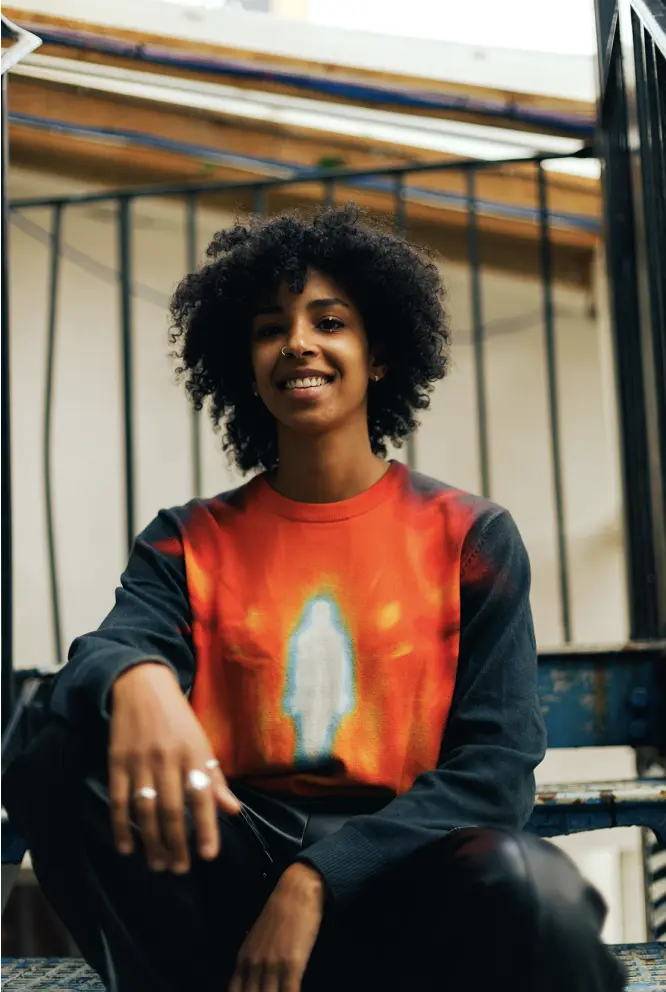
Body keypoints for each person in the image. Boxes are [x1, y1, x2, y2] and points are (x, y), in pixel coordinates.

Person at [3, 206, 625, 992]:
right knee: (48, 740)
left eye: (329, 321)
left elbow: (495, 771)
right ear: (247, 364)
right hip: (224, 876)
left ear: (379, 355)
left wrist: (318, 879)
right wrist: (138, 678)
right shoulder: (189, 539)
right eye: (271, 328)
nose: (298, 341)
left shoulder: (471, 536)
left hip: (406, 871)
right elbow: (109, 651)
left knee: (540, 893)